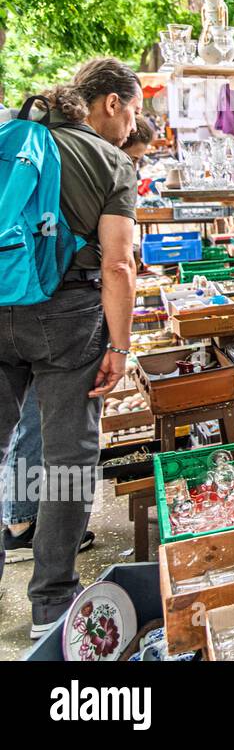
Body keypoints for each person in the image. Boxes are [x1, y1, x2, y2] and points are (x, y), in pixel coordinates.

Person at [0, 58, 139, 638]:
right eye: (132, 111)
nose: (133, 124)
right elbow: (117, 265)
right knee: (67, 459)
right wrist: (123, 348)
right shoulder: (111, 162)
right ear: (110, 103)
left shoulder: (10, 137)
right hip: (65, 316)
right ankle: (52, 602)